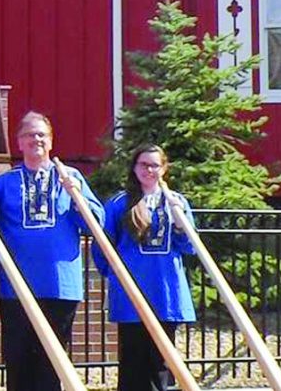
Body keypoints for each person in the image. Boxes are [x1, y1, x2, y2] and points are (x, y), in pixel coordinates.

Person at [0, 112, 103, 391]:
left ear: (51, 141)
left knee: (51, 364)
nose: (36, 139)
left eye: (42, 135)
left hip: (60, 285)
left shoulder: (70, 177)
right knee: (18, 361)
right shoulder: (4, 184)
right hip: (17, 286)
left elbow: (95, 224)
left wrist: (77, 198)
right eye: (29, 134)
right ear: (19, 142)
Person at [92, 146, 195, 391]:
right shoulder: (119, 204)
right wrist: (117, 278)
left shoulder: (177, 202)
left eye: (154, 165)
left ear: (164, 168)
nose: (149, 170)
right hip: (132, 295)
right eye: (143, 165)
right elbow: (102, 246)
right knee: (133, 362)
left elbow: (190, 247)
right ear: (134, 168)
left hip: (165, 292)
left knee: (162, 363)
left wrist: (179, 222)